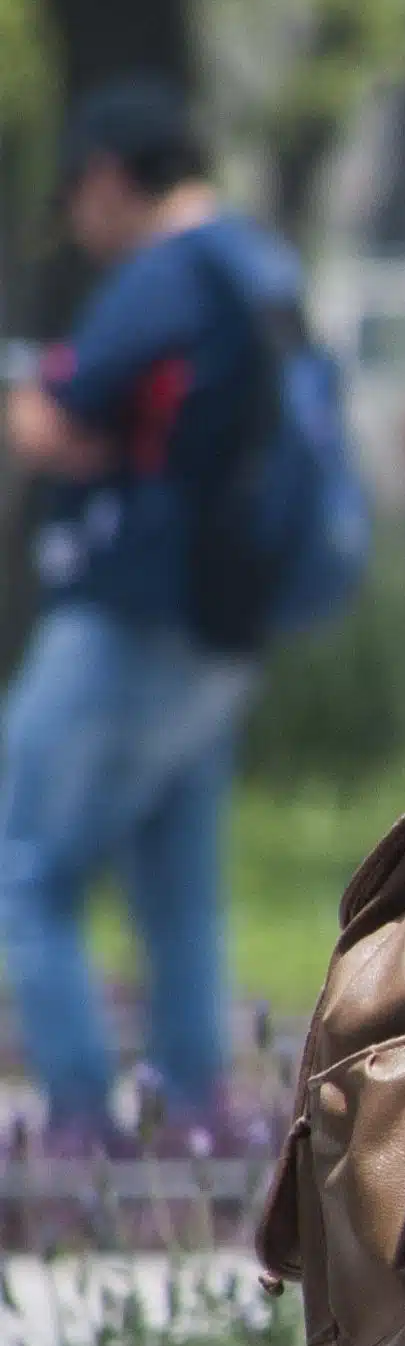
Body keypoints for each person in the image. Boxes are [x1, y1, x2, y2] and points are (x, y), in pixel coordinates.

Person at [0, 75, 291, 1159]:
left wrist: (35, 407)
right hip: (225, 623)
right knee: (175, 874)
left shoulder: (161, 274)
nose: (78, 218)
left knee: (26, 863)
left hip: (130, 612)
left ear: (111, 179)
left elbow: (60, 418)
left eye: (77, 192)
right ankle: (195, 1112)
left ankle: (79, 1122)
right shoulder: (262, 266)